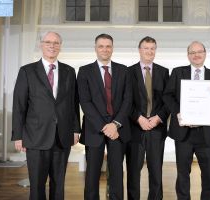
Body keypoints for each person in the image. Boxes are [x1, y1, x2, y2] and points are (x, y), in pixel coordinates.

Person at [11, 31, 81, 200]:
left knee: (58, 185)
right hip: (36, 137)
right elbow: (19, 105)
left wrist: (76, 129)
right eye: (48, 42)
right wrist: (18, 136)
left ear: (60, 46)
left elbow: (73, 103)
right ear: (41, 45)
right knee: (36, 185)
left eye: (56, 43)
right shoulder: (27, 71)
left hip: (61, 137)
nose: (52, 45)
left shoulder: (69, 71)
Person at [163, 41, 210, 200]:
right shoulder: (177, 72)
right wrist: (178, 112)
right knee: (183, 173)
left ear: (205, 53)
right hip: (183, 132)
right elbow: (167, 96)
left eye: (199, 52)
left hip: (206, 133)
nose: (196, 55)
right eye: (192, 52)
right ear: (188, 55)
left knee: (208, 173)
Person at [77, 33, 132, 200]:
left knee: (116, 173)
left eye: (108, 46)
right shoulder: (84, 71)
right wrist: (105, 126)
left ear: (112, 48)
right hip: (95, 129)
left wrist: (115, 124)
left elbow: (128, 100)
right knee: (92, 174)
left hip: (118, 129)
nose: (105, 49)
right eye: (101, 46)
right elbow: (85, 102)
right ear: (95, 48)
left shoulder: (124, 70)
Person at [126, 36, 170, 200]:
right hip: (135, 129)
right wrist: (138, 118)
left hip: (157, 129)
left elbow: (169, 101)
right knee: (133, 172)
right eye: (146, 48)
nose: (149, 51)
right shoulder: (128, 72)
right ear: (140, 50)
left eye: (152, 48)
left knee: (156, 172)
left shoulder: (164, 72)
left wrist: (158, 118)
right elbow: (125, 101)